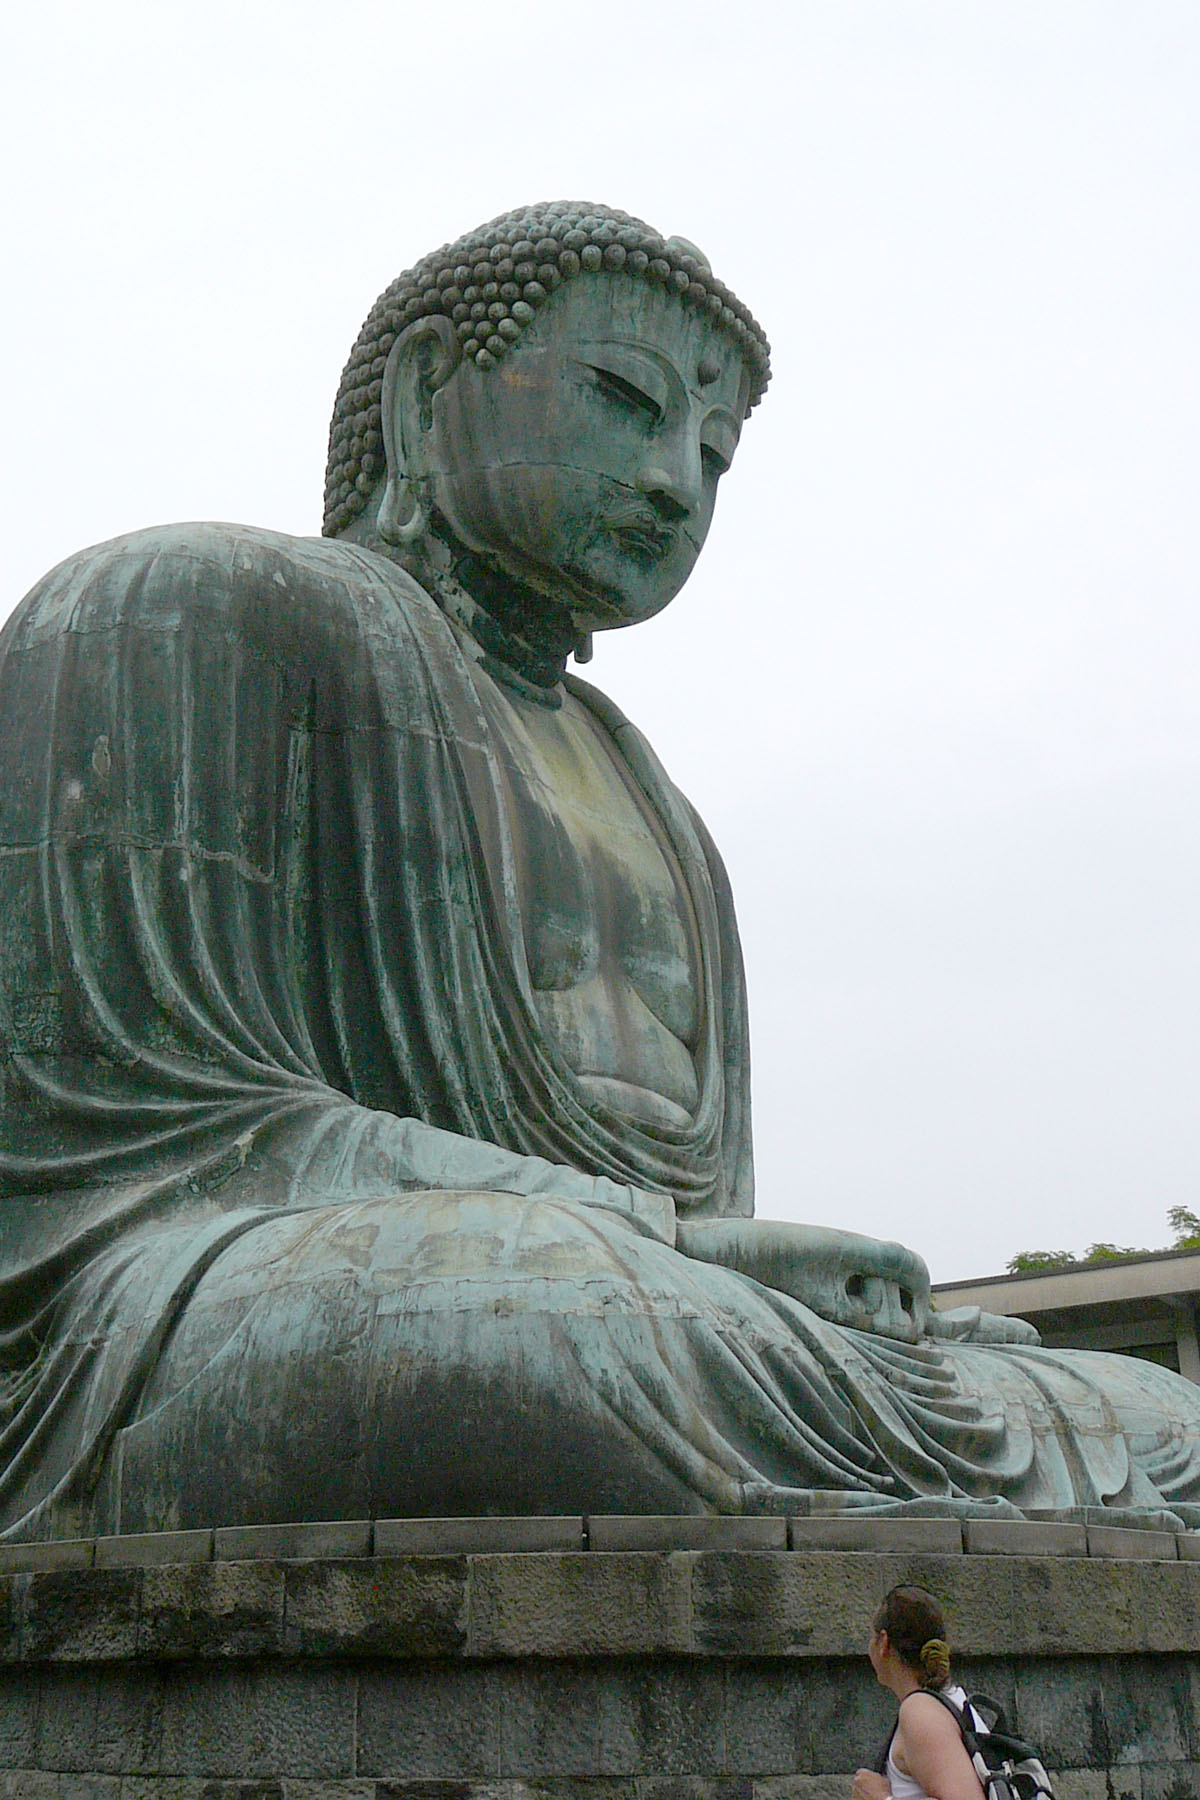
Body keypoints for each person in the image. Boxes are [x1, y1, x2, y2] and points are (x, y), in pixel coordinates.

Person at [2, 200, 1200, 1538]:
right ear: (423, 395)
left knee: (1163, 1419)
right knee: (523, 1328)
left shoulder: (659, 805)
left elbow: (706, 1236)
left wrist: (728, 1272)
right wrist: (651, 1239)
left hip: (648, 1306)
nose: (675, 482)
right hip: (240, 1298)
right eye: (625, 402)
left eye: (714, 454)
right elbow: (144, 1146)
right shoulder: (188, 610)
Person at [853, 1587, 985, 1800]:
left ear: (884, 1642)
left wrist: (881, 1798)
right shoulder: (947, 1700)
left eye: (871, 1637)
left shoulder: (920, 1712)